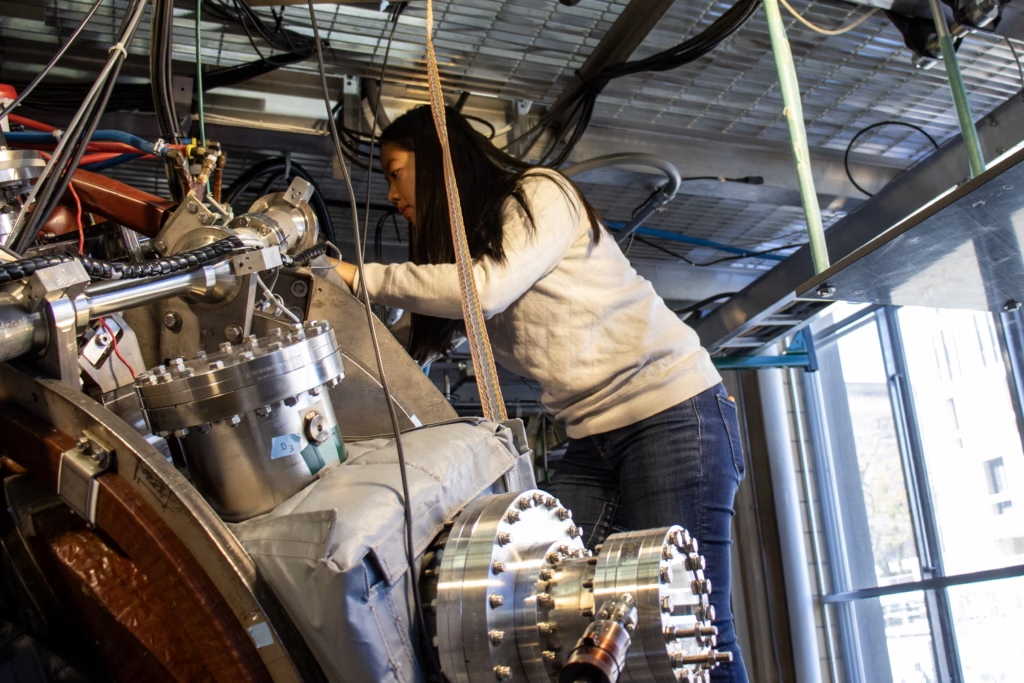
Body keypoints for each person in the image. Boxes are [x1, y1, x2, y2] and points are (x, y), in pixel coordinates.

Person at [332, 105, 748, 682]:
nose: (393, 193)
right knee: (549, 612)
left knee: (686, 626)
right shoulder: (474, 248)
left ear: (438, 162)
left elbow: (486, 289)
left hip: (670, 413)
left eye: (396, 171)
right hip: (592, 437)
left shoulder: (537, 194)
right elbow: (407, 351)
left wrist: (356, 275)